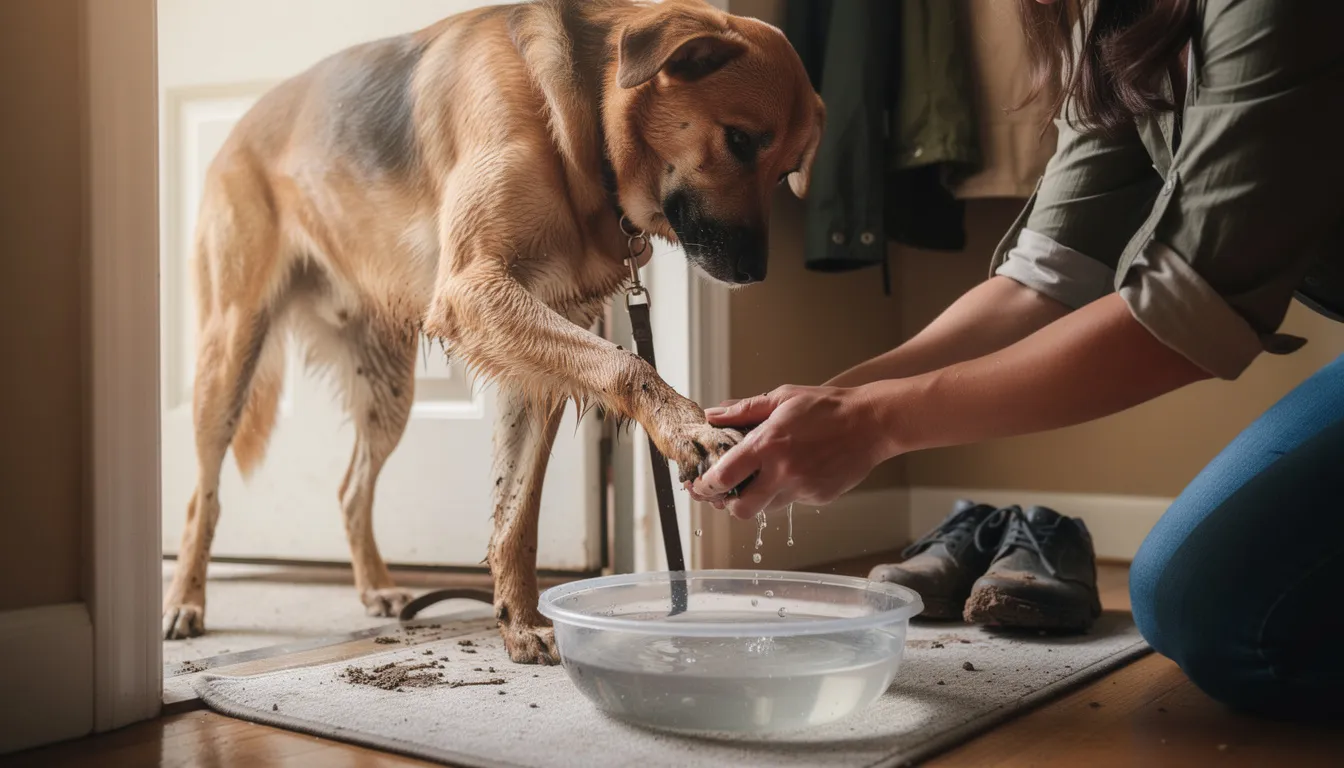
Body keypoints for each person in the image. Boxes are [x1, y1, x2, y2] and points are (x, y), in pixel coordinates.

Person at [689, 0, 1344, 721]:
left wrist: (871, 424)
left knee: (1225, 620)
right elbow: (1049, 277)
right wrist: (834, 400)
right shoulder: (1104, 15)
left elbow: (1192, 307)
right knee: (1188, 600)